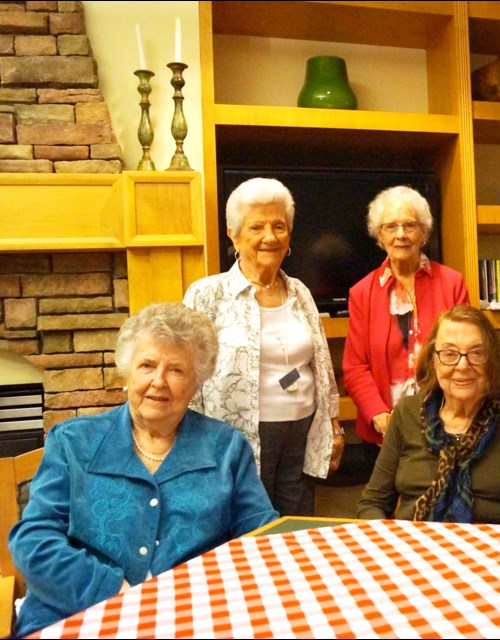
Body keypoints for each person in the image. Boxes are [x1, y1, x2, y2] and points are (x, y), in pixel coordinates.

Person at [9, 303, 278, 637]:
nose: (158, 381)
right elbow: (33, 539)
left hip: (191, 616)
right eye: (147, 365)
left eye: (176, 370)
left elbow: (262, 537)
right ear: (128, 373)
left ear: (196, 383)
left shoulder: (226, 448)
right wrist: (114, 592)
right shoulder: (73, 442)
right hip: (75, 610)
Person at [183, 177, 343, 517]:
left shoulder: (300, 291)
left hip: (301, 429)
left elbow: (321, 363)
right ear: (234, 235)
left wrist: (333, 423)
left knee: (296, 521)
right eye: (256, 226)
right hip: (236, 435)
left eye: (279, 226)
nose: (270, 237)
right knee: (247, 522)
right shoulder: (207, 294)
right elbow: (187, 371)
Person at [357, 305, 500, 525]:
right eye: (449, 354)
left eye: (476, 353)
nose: (463, 365)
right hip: (418, 547)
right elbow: (372, 504)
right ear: (433, 359)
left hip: (499, 549)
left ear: (493, 360)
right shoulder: (407, 412)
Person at [343, 185, 469, 468]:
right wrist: (380, 417)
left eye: (410, 225)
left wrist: (447, 414)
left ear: (424, 233)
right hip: (383, 433)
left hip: (446, 424)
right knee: (389, 508)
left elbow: (467, 354)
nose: (400, 234)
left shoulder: (452, 284)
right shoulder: (362, 293)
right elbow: (355, 367)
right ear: (379, 235)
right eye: (390, 226)